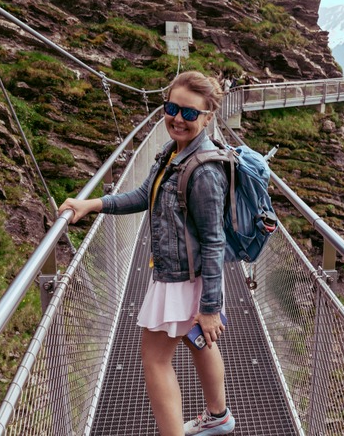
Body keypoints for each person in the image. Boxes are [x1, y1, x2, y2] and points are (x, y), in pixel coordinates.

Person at [59, 71, 234, 436]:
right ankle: (218, 417)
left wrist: (210, 307)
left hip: (183, 280)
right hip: (186, 276)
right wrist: (92, 204)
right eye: (171, 108)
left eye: (189, 113)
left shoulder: (204, 171)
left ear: (207, 117)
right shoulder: (173, 152)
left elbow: (215, 242)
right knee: (199, 341)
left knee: (155, 361)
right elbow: (143, 196)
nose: (177, 118)